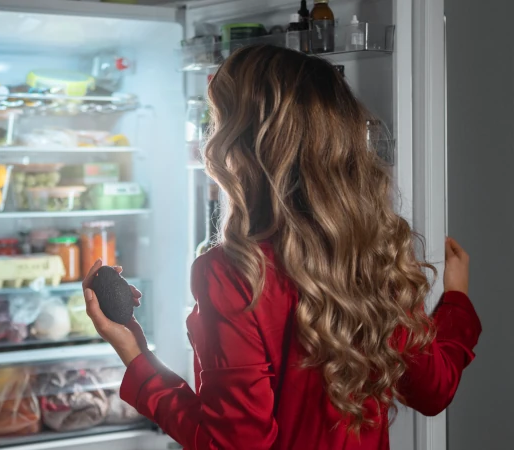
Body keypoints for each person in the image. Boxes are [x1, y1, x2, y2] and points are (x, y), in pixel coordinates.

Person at [82, 45, 481, 450]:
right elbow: (434, 390)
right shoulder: (373, 254)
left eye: (218, 122)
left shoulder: (233, 272)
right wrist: (457, 301)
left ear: (241, 147)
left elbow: (236, 444)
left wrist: (138, 358)